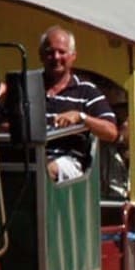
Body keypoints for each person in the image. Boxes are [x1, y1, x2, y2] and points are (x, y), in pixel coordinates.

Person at [40, 26, 119, 182]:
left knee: (45, 171)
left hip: (68, 162)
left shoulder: (86, 91)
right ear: (41, 55)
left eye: (61, 52)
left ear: (73, 56)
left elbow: (111, 132)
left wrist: (81, 117)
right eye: (50, 52)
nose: (56, 57)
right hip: (31, 158)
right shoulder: (28, 87)